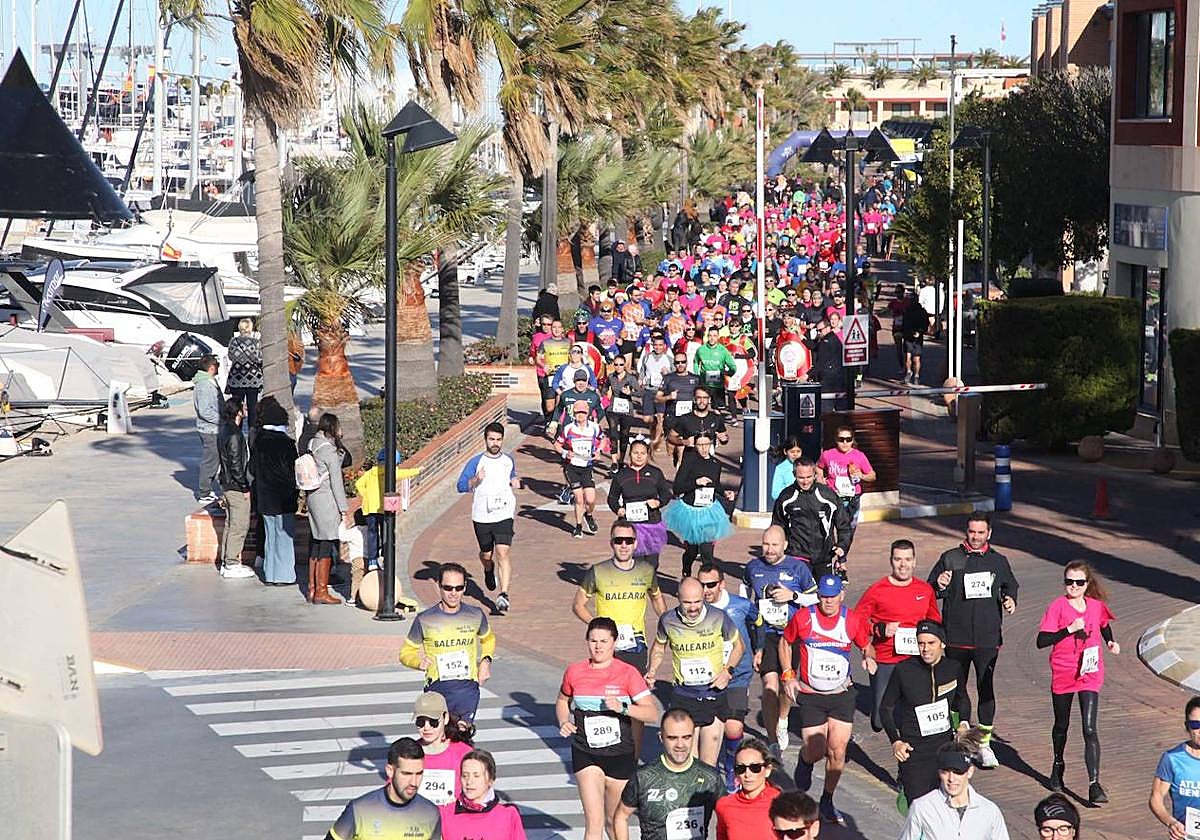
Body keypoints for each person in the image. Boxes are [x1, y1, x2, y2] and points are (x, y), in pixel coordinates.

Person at [927, 512, 1019, 769]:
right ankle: (965, 742)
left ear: (989, 533)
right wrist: (939, 584)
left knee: (985, 687)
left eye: (981, 532)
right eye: (972, 532)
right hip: (956, 637)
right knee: (957, 689)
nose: (976, 537)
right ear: (965, 532)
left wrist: (1010, 599)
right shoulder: (951, 558)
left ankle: (985, 744)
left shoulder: (998, 561)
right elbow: (931, 589)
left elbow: (1010, 586)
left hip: (987, 638)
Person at [781, 574, 874, 825]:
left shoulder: (852, 620)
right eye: (824, 596)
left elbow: (866, 645)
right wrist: (788, 674)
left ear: (841, 596)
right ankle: (805, 762)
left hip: (842, 695)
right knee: (815, 750)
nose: (828, 601)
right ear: (818, 595)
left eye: (833, 596)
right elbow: (785, 642)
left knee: (837, 750)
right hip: (811, 695)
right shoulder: (804, 618)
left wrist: (869, 657)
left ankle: (827, 800)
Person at [557, 617, 660, 840]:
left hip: (620, 755)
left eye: (604, 641)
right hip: (586, 753)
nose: (598, 646)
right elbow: (563, 700)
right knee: (594, 824)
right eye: (593, 640)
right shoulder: (575, 671)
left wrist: (623, 707)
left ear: (614, 642)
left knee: (614, 823)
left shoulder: (628, 673)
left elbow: (652, 713)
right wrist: (564, 720)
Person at [1037, 560, 1118, 803]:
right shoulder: (1057, 607)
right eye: (1069, 581)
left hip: (1090, 673)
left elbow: (1104, 625)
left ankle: (1094, 784)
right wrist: (1069, 630)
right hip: (1063, 672)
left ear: (1087, 584)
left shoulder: (1095, 606)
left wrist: (1110, 642)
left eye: (1078, 582)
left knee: (1089, 728)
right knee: (1062, 725)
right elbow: (1041, 641)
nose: (1073, 586)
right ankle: (1058, 763)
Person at [646, 578, 743, 766]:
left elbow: (738, 646)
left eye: (697, 602)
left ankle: (707, 795)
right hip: (684, 695)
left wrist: (727, 671)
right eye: (687, 602)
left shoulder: (719, 617)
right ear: (678, 599)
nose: (692, 608)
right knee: (689, 761)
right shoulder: (668, 620)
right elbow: (659, 647)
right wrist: (652, 670)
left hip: (713, 693)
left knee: (708, 764)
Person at [742, 525, 818, 754]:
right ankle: (773, 737)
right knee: (769, 687)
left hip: (794, 636)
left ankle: (783, 719)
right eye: (766, 544)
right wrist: (756, 643)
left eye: (775, 545)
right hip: (767, 636)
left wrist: (792, 596)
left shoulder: (798, 568)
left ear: (784, 545)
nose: (769, 549)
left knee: (787, 686)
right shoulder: (753, 568)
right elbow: (746, 598)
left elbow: (815, 598)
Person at [855, 539, 942, 732]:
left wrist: (931, 640)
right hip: (886, 659)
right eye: (898, 559)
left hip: (916, 659)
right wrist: (879, 629)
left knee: (912, 716)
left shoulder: (924, 590)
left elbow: (935, 621)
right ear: (891, 561)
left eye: (907, 559)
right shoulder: (877, 590)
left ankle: (907, 748)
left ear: (914, 561)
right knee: (879, 720)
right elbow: (856, 623)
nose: (903, 565)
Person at [880, 619, 967, 805]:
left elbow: (962, 698)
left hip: (944, 749)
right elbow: (885, 709)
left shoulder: (953, 668)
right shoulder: (904, 670)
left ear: (942, 644)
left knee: (946, 807)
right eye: (921, 643)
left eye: (931, 643)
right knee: (918, 808)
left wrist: (964, 723)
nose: (925, 649)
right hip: (914, 752)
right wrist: (895, 741)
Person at [399, 562, 496, 722]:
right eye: (448, 588)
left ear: (465, 587)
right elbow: (405, 653)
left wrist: (486, 661)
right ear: (439, 586)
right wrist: (417, 662)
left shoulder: (475, 615)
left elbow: (488, 639)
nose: (453, 593)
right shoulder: (425, 619)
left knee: (462, 737)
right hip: (437, 688)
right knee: (438, 739)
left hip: (467, 689)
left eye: (458, 588)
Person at [613, 708, 725, 840]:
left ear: (693, 737)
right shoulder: (643, 777)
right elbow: (621, 816)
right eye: (672, 738)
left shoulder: (710, 777)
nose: (680, 745)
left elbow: (731, 816)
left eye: (686, 737)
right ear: (661, 738)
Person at [697, 562, 758, 790]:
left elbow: (758, 622)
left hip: (737, 675)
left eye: (711, 585)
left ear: (721, 584)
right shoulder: (696, 609)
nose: (706, 590)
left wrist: (759, 649)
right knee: (710, 731)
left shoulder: (740, 605)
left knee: (733, 729)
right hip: (706, 677)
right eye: (702, 585)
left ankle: (732, 764)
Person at [456, 422, 520, 613]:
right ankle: (487, 569)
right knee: (487, 554)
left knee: (503, 552)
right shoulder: (476, 462)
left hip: (504, 512)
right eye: (491, 439)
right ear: (485, 440)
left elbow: (512, 475)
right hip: (482, 515)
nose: (495, 443)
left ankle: (504, 594)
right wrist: (476, 480)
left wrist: (514, 481)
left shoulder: (508, 460)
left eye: (498, 439)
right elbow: (460, 486)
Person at [324, 737, 440, 840]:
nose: (414, 782)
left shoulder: (431, 813)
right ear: (390, 771)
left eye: (419, 774)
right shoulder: (359, 809)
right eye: (406, 774)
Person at [898, 736, 1010, 840]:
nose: (951, 778)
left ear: (970, 771)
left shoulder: (989, 811)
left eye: (958, 772)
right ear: (939, 772)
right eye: (945, 772)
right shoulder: (922, 808)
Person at [664, 432, 736, 577]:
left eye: (706, 444)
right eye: (700, 445)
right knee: (692, 551)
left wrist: (724, 493)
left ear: (711, 444)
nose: (703, 448)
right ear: (695, 445)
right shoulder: (689, 461)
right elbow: (677, 488)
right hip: (691, 512)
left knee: (707, 551)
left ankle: (706, 583)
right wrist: (695, 483)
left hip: (708, 511)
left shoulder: (716, 464)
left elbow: (715, 484)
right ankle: (686, 571)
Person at [771, 457, 851, 580]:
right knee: (800, 595)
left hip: (824, 555)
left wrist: (842, 547)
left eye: (809, 477)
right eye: (801, 478)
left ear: (814, 475)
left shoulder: (828, 495)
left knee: (824, 596)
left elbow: (844, 525)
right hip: (797, 554)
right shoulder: (786, 497)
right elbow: (777, 526)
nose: (805, 482)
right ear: (794, 474)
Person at [251, 396, 298, 586]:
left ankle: (270, 574)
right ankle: (285, 575)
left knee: (270, 537)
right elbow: (292, 470)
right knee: (284, 537)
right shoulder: (286, 443)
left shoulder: (258, 441)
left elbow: (252, 469)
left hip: (264, 496)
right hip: (283, 497)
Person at [606, 439, 672, 568]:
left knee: (652, 563)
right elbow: (612, 498)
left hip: (652, 523)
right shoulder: (621, 475)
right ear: (630, 454)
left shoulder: (655, 473)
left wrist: (658, 502)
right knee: (635, 562)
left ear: (648, 454)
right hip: (630, 525)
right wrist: (618, 509)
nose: (639, 456)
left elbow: (666, 494)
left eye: (643, 453)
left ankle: (649, 586)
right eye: (636, 452)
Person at [304, 413, 348, 605]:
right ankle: (322, 590)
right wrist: (343, 508)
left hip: (313, 497)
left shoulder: (312, 443)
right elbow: (337, 483)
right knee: (326, 543)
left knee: (315, 541)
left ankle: (312, 588)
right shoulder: (330, 451)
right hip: (327, 500)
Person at [438, 748, 526, 840]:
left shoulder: (508, 815)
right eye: (465, 775)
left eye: (476, 776)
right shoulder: (445, 814)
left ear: (490, 780)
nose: (469, 781)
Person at [1150, 695, 1200, 839]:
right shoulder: (1173, 758)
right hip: (1188, 835)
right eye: (1196, 725)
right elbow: (1156, 797)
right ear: (1187, 726)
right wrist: (1171, 822)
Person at [412, 690, 474, 807]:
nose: (426, 728)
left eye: (433, 722)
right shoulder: (408, 753)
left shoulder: (463, 753)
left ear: (445, 718)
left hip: (454, 820)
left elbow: (477, 791)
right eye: (420, 722)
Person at [216, 397, 255, 579]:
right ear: (238, 411)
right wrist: (244, 486)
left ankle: (227, 561)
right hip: (235, 485)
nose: (245, 411)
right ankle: (232, 563)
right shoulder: (234, 434)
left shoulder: (224, 430)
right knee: (239, 525)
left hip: (227, 483)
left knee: (231, 524)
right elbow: (235, 463)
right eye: (243, 408)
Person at [816, 426, 876, 542]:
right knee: (829, 526)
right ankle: (831, 551)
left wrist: (862, 475)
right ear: (836, 440)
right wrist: (820, 478)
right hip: (832, 495)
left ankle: (842, 555)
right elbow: (819, 467)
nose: (845, 442)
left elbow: (872, 475)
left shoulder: (859, 456)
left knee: (849, 528)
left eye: (848, 439)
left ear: (852, 440)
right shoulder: (827, 455)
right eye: (841, 439)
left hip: (852, 497)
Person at [556, 400, 605, 539]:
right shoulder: (568, 428)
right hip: (572, 467)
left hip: (587, 467)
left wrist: (598, 451)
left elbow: (603, 439)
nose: (580, 415)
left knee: (590, 499)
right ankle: (578, 527)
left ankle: (588, 515)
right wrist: (565, 453)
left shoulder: (594, 428)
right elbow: (557, 444)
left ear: (587, 413)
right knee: (579, 498)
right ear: (573, 413)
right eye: (577, 412)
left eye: (583, 412)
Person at [714, 738, 782, 840]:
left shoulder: (782, 803)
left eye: (755, 768)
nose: (747, 774)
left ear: (767, 770)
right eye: (740, 769)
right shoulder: (724, 805)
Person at [658, 351, 700, 465]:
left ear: (687, 363)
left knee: (682, 447)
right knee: (671, 450)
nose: (680, 364)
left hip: (688, 418)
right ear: (674, 364)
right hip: (672, 417)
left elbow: (702, 396)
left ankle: (680, 474)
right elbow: (658, 398)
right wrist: (668, 397)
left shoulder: (695, 379)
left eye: (683, 362)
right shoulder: (668, 378)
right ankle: (676, 461)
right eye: (677, 362)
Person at [192, 354, 223, 505]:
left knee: (214, 459)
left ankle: (207, 489)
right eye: (216, 365)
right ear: (211, 367)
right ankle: (204, 492)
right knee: (210, 460)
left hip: (213, 428)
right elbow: (205, 411)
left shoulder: (208, 382)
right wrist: (222, 420)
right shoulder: (205, 385)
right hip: (210, 429)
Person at [224, 318, 263, 428]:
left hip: (237, 378)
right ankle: (252, 433)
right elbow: (259, 358)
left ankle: (236, 431)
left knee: (236, 408)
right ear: (250, 328)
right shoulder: (256, 342)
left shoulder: (233, 341)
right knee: (252, 408)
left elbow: (231, 357)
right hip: (253, 379)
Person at [637, 332, 673, 450]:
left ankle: (656, 441)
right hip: (648, 390)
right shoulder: (647, 357)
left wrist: (667, 374)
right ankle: (654, 431)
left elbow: (674, 375)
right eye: (656, 345)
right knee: (647, 419)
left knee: (660, 417)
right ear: (652, 345)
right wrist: (641, 379)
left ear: (664, 346)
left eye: (660, 345)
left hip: (661, 392)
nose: (658, 347)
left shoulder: (668, 359)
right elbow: (642, 371)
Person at [605, 355, 639, 474]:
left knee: (624, 436)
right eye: (616, 364)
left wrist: (631, 392)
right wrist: (604, 395)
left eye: (621, 364)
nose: (618, 367)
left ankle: (621, 462)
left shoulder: (631, 378)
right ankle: (614, 462)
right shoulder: (611, 377)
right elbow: (604, 388)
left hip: (626, 410)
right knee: (613, 434)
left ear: (624, 365)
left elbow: (640, 392)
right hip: (613, 409)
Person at [900, 290, 930, 386]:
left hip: (916, 338)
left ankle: (916, 375)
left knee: (916, 359)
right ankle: (909, 372)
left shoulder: (921, 311)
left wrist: (920, 332)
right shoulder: (908, 311)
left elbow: (925, 324)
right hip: (908, 337)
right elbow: (904, 324)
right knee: (908, 357)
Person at [769, 436, 804, 505]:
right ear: (785, 452)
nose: (795, 454)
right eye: (792, 452)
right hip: (788, 504)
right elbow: (775, 493)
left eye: (798, 451)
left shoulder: (806, 466)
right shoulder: (781, 468)